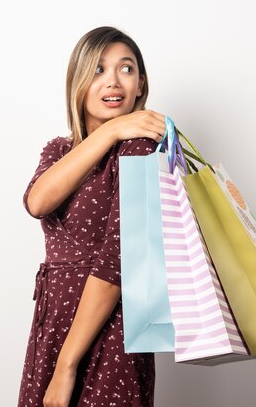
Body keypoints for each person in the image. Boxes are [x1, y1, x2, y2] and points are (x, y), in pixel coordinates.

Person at [18, 26, 167, 407]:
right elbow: (37, 202)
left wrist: (67, 366)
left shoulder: (139, 150)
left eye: (126, 69)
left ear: (140, 84)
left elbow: (119, 262)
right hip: (52, 326)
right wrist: (110, 131)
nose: (113, 82)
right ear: (78, 82)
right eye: (98, 70)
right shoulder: (59, 149)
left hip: (110, 332)